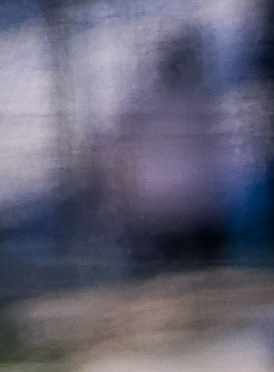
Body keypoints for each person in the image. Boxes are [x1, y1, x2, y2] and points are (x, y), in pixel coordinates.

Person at [98, 32, 234, 271]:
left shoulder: (142, 104)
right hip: (190, 209)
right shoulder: (199, 103)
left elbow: (120, 156)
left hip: (163, 210)